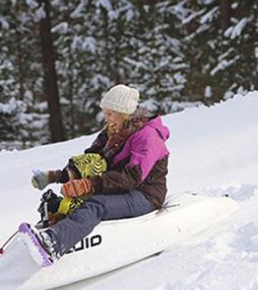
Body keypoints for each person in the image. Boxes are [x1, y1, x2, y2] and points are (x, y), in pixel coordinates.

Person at [19, 84, 170, 267]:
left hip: (145, 194)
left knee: (96, 205)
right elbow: (89, 162)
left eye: (110, 114)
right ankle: (23, 252)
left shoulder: (147, 137)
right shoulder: (111, 133)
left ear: (124, 113)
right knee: (63, 203)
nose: (106, 119)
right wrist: (58, 176)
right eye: (105, 113)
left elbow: (132, 177)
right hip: (117, 188)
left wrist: (89, 185)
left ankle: (54, 244)